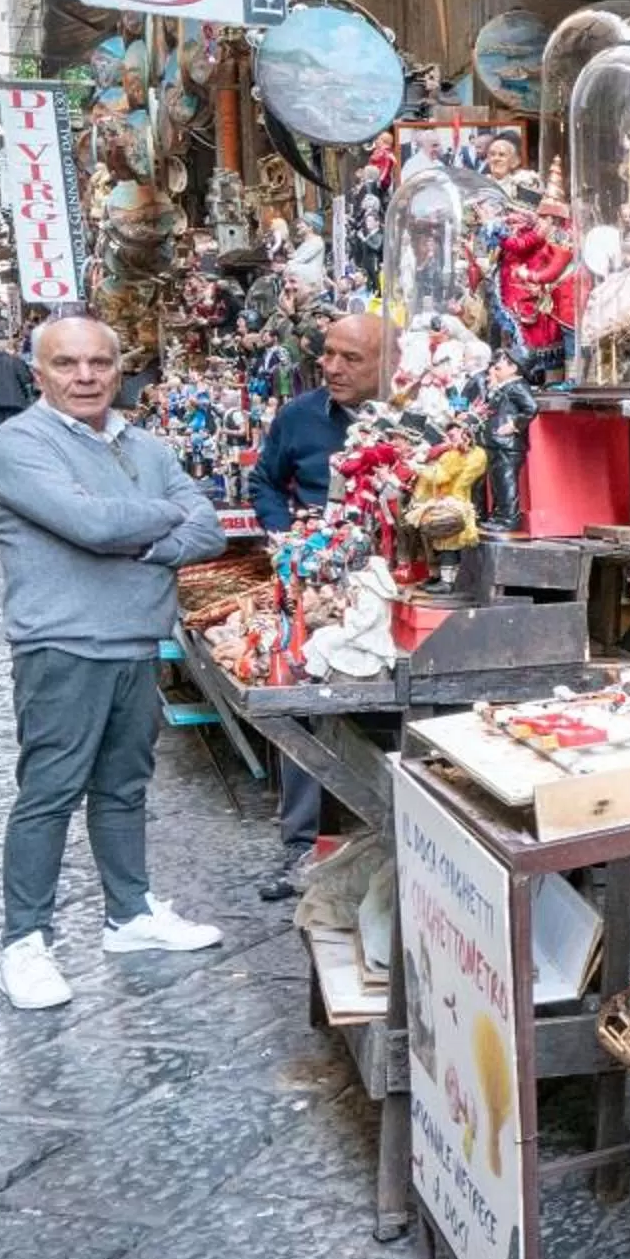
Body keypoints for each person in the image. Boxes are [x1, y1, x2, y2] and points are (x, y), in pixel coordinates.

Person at [0, 312, 229, 1010]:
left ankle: (130, 915)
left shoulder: (143, 444)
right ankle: (24, 942)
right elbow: (90, 525)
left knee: (124, 786)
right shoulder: (17, 444)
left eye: (98, 364)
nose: (84, 376)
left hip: (134, 643)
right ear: (39, 373)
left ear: (121, 371)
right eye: (66, 364)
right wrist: (157, 517)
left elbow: (204, 525)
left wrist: (132, 528)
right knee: (50, 793)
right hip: (60, 647)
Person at [249, 311, 390, 899]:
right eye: (327, 354)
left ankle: (393, 832)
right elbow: (263, 482)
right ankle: (301, 845)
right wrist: (289, 540)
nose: (330, 367)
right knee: (303, 698)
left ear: (388, 363)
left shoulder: (423, 418)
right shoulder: (301, 417)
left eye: (349, 358)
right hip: (320, 580)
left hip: (394, 580)